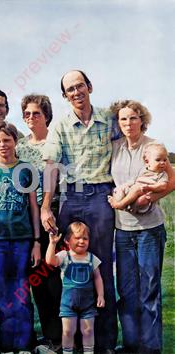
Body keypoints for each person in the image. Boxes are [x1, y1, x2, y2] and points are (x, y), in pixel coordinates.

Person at [41, 70, 118, 353]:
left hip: (100, 197)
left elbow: (126, 148)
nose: (76, 92)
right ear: (65, 95)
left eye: (80, 86)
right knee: (69, 267)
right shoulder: (60, 125)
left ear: (90, 86)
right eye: (70, 89)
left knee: (101, 268)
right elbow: (51, 165)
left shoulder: (110, 119)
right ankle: (71, 343)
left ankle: (106, 343)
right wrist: (46, 206)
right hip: (71, 198)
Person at [108, 100, 174, 353]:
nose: (128, 123)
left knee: (149, 290)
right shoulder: (115, 147)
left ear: (142, 120)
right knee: (126, 291)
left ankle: (151, 347)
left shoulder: (155, 147)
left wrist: (150, 199)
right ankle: (131, 344)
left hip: (149, 229)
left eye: (133, 118)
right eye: (123, 119)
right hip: (123, 230)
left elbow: (172, 181)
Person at [0, 123, 41, 352]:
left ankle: (24, 343)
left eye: (7, 140)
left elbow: (34, 206)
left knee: (22, 290)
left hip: (23, 238)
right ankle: (7, 343)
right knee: (3, 292)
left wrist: (37, 241)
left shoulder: (27, 169)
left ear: (15, 141)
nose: (2, 145)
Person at [16, 94, 62, 351]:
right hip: (27, 218)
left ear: (46, 116)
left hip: (52, 214)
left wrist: (47, 209)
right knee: (36, 277)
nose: (31, 118)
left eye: (36, 113)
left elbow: (54, 179)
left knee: (52, 274)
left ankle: (63, 335)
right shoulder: (21, 147)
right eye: (27, 114)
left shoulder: (54, 143)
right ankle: (48, 334)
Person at [46, 222, 105, 354]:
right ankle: (67, 351)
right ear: (67, 240)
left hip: (88, 304)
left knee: (88, 330)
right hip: (68, 304)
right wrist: (52, 243)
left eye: (85, 238)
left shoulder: (91, 258)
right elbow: (50, 261)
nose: (81, 241)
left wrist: (100, 295)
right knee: (67, 331)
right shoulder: (64, 256)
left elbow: (97, 278)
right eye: (77, 238)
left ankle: (89, 352)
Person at [109, 142, 169, 212]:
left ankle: (121, 205)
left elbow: (162, 186)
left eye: (165, 160)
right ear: (147, 162)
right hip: (132, 193)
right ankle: (120, 203)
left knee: (137, 189)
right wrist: (123, 187)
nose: (162, 162)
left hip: (144, 195)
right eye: (158, 160)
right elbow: (134, 180)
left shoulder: (162, 174)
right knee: (119, 189)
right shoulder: (143, 170)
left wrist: (149, 187)